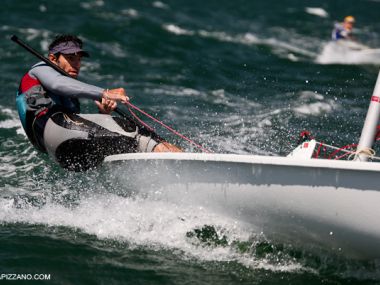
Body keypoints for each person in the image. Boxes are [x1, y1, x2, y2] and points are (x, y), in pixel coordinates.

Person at [16, 34, 181, 171]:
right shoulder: (40, 68)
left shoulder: (70, 97)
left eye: (79, 59)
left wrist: (104, 114)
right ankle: (177, 163)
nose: (76, 64)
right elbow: (57, 84)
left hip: (62, 149)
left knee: (128, 142)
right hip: (52, 134)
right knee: (136, 137)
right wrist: (104, 93)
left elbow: (76, 126)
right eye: (70, 58)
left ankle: (165, 168)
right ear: (53, 58)